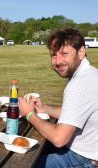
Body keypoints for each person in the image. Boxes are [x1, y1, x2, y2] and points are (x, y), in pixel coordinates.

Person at [18, 28, 98, 167]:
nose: (58, 61)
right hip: (84, 150)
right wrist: (43, 108)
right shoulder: (89, 73)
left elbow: (59, 138)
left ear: (81, 52)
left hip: (84, 159)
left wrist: (29, 114)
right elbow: (73, 112)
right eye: (54, 55)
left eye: (64, 54)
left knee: (19, 164)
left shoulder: (80, 83)